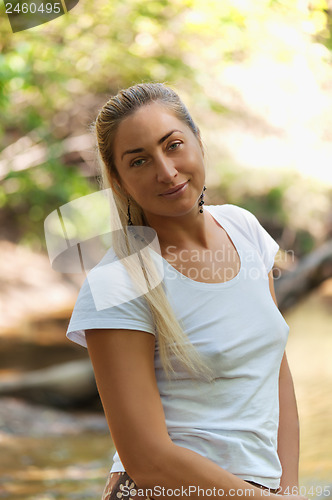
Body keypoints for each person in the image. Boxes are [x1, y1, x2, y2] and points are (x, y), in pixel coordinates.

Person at [66, 83, 307, 500]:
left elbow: (275, 375)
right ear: (119, 180)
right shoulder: (117, 283)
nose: (166, 170)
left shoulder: (243, 228)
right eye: (139, 160)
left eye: (173, 145)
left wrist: (289, 492)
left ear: (198, 140)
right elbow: (147, 460)